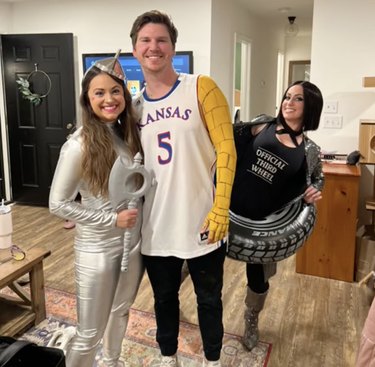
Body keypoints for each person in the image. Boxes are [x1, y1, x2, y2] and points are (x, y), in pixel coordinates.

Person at [130, 10, 237, 367]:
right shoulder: (133, 108)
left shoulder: (200, 87)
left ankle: (212, 359)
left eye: (161, 40)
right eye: (145, 40)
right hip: (157, 223)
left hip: (203, 219)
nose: (153, 47)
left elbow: (227, 149)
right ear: (134, 49)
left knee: (209, 299)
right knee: (163, 298)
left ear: (173, 47)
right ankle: (168, 356)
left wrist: (221, 207)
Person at [49, 52, 144, 367]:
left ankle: (112, 362)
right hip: (97, 249)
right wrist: (111, 219)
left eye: (115, 91)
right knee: (89, 333)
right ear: (87, 100)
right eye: (99, 93)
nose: (109, 99)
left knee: (121, 312)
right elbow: (57, 203)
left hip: (131, 246)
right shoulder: (78, 146)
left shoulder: (124, 133)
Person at [230, 80, 324, 351]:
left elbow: (318, 180)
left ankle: (251, 319)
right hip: (229, 211)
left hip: (261, 228)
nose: (288, 102)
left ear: (311, 108)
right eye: (287, 96)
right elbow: (227, 144)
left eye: (298, 99)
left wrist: (313, 192)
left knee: (257, 281)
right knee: (199, 260)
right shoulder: (262, 124)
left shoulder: (310, 151)